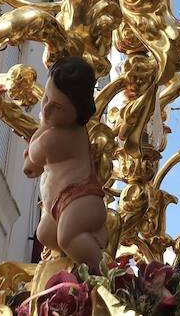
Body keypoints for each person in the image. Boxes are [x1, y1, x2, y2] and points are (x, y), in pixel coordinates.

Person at [22, 56, 108, 267]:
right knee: (45, 234)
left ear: (78, 110)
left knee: (67, 237)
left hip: (81, 200)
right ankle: (76, 264)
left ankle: (102, 274)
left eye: (58, 108)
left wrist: (43, 126)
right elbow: (33, 164)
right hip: (60, 205)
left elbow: (34, 158)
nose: (47, 109)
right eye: (46, 99)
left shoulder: (62, 137)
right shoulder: (55, 129)